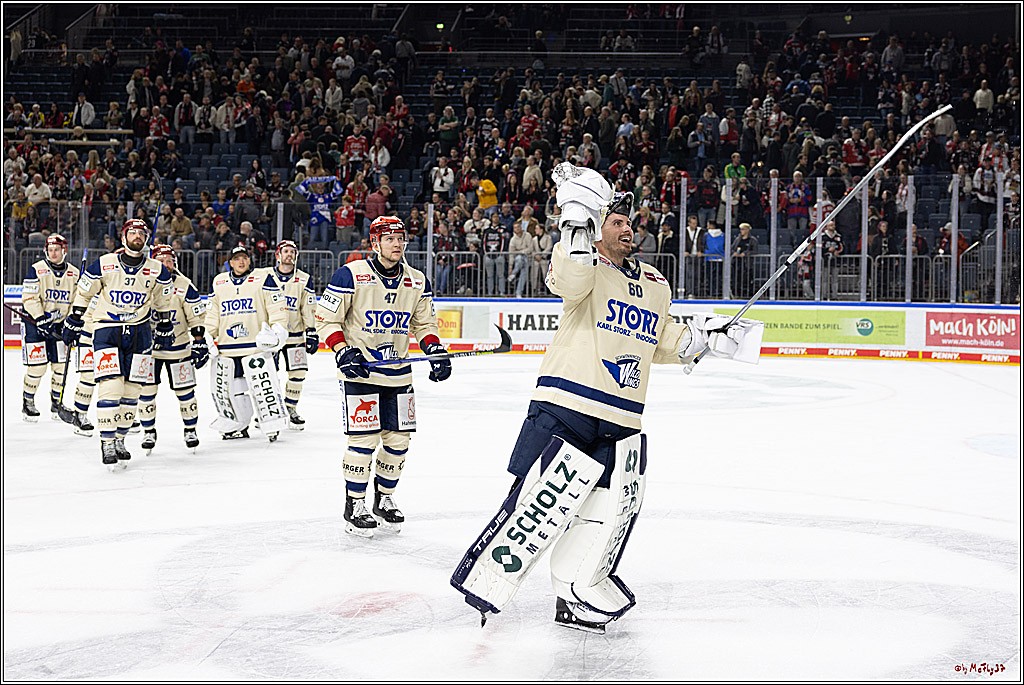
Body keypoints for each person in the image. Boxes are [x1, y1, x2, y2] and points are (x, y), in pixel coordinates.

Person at [450, 163, 762, 634]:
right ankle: (487, 586)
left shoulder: (656, 283)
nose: (628, 227)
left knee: (605, 512)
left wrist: (705, 339)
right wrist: (575, 220)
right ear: (596, 229)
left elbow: (657, 338)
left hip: (622, 418)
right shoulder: (582, 263)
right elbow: (569, 279)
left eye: (629, 222)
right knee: (540, 506)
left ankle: (573, 599)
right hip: (566, 406)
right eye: (615, 221)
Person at [315, 215, 451, 538]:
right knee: (363, 441)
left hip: (399, 374)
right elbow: (326, 318)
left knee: (398, 442)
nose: (397, 244)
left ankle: (384, 498)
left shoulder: (417, 281)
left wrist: (435, 350)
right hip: (361, 372)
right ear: (374, 243)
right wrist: (342, 351)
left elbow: (424, 326)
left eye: (401, 238)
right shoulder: (351, 275)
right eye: (389, 239)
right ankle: (355, 504)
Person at [61, 219, 174, 470]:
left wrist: (165, 324)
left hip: (140, 332)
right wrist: (75, 318)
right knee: (111, 387)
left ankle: (121, 439)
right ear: (123, 238)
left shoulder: (157, 269)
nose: (137, 236)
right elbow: (85, 292)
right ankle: (107, 441)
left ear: (146, 238)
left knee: (133, 391)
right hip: (106, 330)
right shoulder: (105, 263)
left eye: (141, 233)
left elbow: (164, 299)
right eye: (131, 232)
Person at [204, 245, 290, 442]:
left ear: (249, 261)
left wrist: (277, 330)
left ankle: (272, 424)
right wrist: (207, 335)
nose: (241, 262)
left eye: (244, 258)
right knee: (232, 389)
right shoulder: (219, 282)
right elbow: (212, 314)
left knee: (264, 387)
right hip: (227, 349)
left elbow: (276, 307)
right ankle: (238, 424)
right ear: (230, 262)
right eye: (237, 259)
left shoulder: (263, 278)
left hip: (256, 347)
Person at [137, 244, 208, 453]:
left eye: (169, 261)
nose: (166, 264)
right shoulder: (144, 283)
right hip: (149, 350)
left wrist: (199, 340)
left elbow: (195, 315)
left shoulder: (184, 285)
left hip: (179, 348)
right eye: (161, 260)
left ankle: (190, 429)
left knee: (185, 392)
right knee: (146, 392)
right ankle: (148, 431)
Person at [254, 240, 318, 430]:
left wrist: (311, 331)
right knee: (268, 375)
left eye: (293, 252)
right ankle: (268, 410)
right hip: (270, 337)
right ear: (277, 255)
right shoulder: (264, 275)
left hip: (295, 335)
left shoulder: (304, 279)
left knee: (298, 373)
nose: (289, 255)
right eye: (286, 251)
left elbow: (308, 307)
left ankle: (290, 408)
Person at [20, 234, 78, 422]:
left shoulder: (74, 274)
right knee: (37, 367)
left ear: (64, 251)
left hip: (60, 326)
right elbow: (29, 297)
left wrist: (71, 322)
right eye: (50, 250)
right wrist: (40, 317)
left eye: (57, 250)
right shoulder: (37, 269)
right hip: (34, 324)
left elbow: (77, 302)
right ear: (46, 250)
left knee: (61, 366)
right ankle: (28, 402)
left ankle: (56, 401)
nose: (53, 253)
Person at [295, 171, 345, 244]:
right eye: (319, 188)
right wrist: (305, 182)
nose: (320, 189)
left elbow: (336, 193)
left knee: (324, 238)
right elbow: (302, 191)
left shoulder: (328, 196)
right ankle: (311, 253)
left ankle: (325, 253)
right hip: (315, 220)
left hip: (324, 220)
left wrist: (337, 181)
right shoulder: (312, 197)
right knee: (313, 238)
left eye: (322, 188)